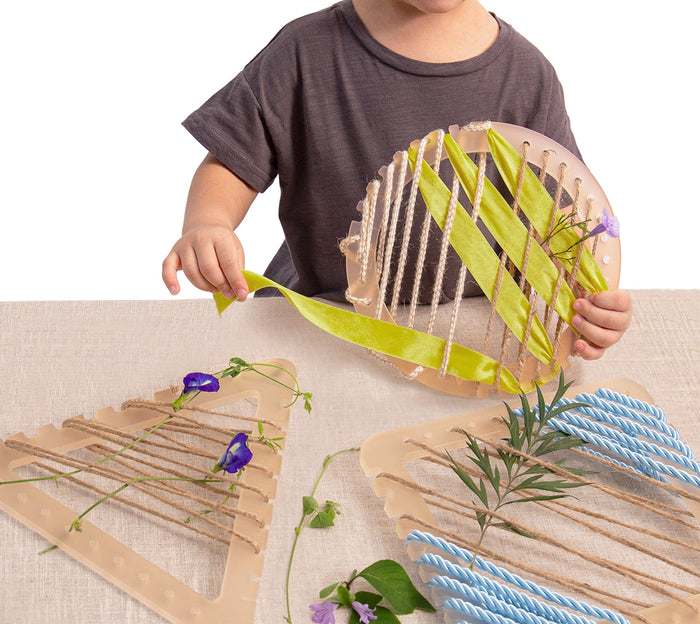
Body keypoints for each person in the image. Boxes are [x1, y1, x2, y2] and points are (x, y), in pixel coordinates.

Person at [162, 0, 631, 360]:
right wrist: (209, 224)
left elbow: (567, 220)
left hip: (470, 336)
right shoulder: (304, 51)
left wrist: (589, 300)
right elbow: (232, 160)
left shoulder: (528, 75)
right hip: (325, 317)